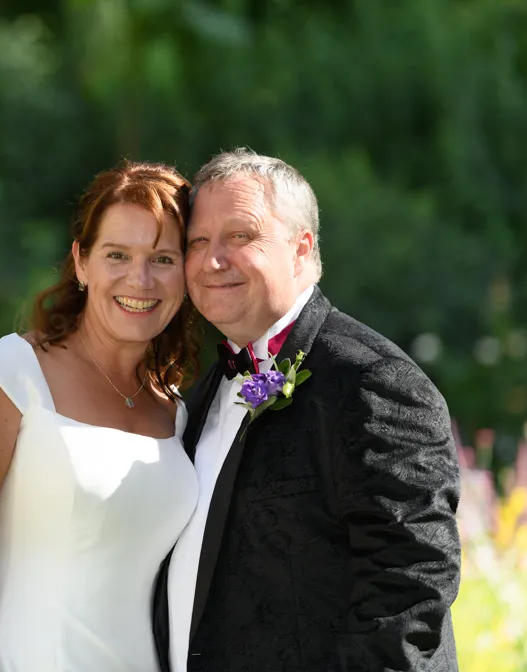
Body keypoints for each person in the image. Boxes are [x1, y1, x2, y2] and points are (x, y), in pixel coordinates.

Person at [152, 148, 462, 671]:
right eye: (197, 242)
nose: (211, 260)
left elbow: (409, 592)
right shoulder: (202, 394)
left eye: (240, 236)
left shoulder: (372, 381)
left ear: (302, 249)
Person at [0, 161, 201, 672]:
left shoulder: (175, 411)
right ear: (81, 263)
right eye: (117, 255)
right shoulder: (12, 372)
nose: (140, 278)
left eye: (163, 258)